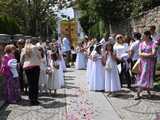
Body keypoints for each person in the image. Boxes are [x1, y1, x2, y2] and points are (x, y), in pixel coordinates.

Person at [135, 31, 156, 100]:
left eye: (144, 36)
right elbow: (139, 53)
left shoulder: (153, 43)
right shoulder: (141, 44)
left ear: (148, 36)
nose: (142, 37)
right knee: (142, 76)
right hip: (142, 63)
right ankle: (138, 93)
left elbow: (153, 53)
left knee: (148, 77)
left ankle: (147, 91)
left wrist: (144, 54)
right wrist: (147, 55)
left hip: (149, 63)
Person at [20, 39, 41, 105]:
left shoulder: (23, 49)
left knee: (30, 83)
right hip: (35, 66)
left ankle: (31, 100)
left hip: (27, 68)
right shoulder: (34, 47)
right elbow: (40, 56)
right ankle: (35, 100)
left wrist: (23, 65)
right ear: (31, 42)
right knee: (35, 83)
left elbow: (21, 60)